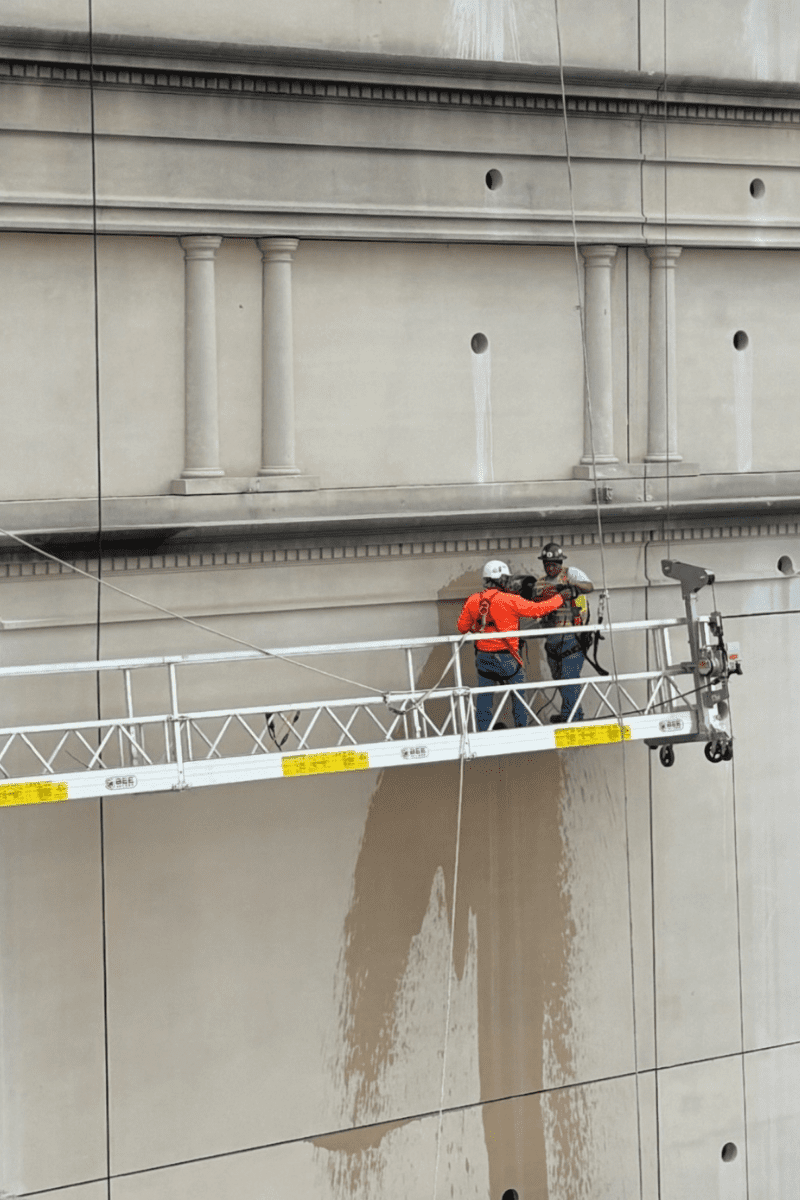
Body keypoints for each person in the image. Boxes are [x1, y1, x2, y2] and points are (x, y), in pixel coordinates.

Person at [457, 559, 566, 732]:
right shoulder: (510, 600)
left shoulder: (473, 600)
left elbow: (462, 627)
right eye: (506, 579)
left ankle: (484, 729)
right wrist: (560, 598)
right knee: (519, 689)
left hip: (483, 657)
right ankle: (521, 727)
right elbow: (538, 610)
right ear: (502, 580)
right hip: (506, 658)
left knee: (485, 695)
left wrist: (481, 628)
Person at [528, 543, 594, 723]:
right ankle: (570, 713)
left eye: (554, 563)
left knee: (569, 677)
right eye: (547, 564)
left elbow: (589, 587)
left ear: (560, 562)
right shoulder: (540, 583)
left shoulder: (570, 574)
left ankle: (573, 716)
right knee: (558, 677)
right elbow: (535, 606)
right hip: (552, 638)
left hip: (572, 636)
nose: (551, 567)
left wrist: (571, 586)